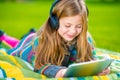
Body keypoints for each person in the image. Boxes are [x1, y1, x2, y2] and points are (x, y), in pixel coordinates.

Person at [0, 0, 110, 78]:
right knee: (16, 44)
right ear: (54, 22)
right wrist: (60, 72)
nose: (73, 31)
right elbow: (40, 65)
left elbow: (91, 58)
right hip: (29, 45)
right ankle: (3, 37)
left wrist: (98, 68)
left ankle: (30, 33)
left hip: (35, 38)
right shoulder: (42, 41)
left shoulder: (84, 38)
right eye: (67, 26)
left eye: (79, 26)